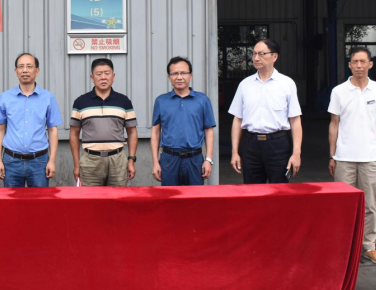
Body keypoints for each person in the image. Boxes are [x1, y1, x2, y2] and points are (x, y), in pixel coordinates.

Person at [328, 46, 376, 265]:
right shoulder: (339, 91)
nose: (359, 66)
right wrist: (332, 155)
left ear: (370, 64)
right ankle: (344, 248)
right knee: (343, 204)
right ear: (349, 65)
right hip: (344, 157)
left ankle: (369, 247)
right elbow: (334, 124)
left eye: (363, 61)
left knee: (370, 205)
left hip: (371, 156)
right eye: (355, 61)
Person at [229, 38, 302, 184]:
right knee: (252, 191)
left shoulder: (287, 84)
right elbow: (237, 120)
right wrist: (235, 152)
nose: (256, 58)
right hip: (251, 145)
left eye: (261, 54)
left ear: (274, 56)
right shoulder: (245, 85)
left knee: (279, 191)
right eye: (254, 54)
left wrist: (296, 153)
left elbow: (295, 120)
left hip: (278, 144)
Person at [0, 53, 62, 187]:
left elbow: (53, 130)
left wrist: (52, 160)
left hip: (39, 162)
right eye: (21, 67)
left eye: (29, 66)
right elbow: (0, 129)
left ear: (37, 71)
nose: (25, 70)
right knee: (12, 200)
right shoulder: (5, 97)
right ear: (16, 71)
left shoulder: (48, 98)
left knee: (40, 199)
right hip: (11, 161)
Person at [69, 58, 138, 186]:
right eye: (99, 74)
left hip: (118, 160)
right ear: (92, 77)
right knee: (91, 197)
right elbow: (74, 134)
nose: (103, 77)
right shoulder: (81, 102)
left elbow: (132, 132)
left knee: (118, 197)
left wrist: (131, 160)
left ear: (113, 76)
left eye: (107, 73)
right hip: (90, 161)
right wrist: (76, 164)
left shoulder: (124, 101)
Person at [151, 56, 216, 186]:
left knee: (195, 197)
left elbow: (209, 130)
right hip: (169, 159)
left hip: (194, 159)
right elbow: (155, 132)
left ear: (190, 76)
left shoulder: (202, 100)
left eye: (183, 73)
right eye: (174, 73)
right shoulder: (161, 101)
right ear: (169, 77)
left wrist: (208, 159)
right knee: (170, 196)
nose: (179, 77)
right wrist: (155, 162)